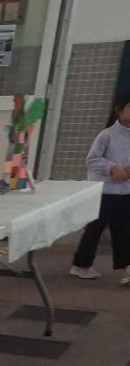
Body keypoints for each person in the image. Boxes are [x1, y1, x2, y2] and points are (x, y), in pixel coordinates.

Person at [70, 92, 130, 282]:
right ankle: (81, 265)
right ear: (119, 110)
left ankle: (127, 267)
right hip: (104, 192)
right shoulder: (107, 135)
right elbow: (92, 160)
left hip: (126, 193)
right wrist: (112, 167)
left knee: (124, 230)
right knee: (94, 230)